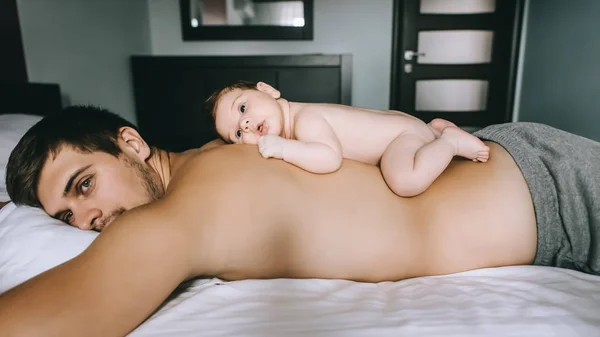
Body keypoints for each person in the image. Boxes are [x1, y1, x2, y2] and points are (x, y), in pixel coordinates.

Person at [0, 105, 599, 337]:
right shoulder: (216, 160)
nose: (90, 218)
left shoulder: (189, 204)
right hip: (526, 176)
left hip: (550, 190)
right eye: (68, 217)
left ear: (129, 142)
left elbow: (65, 309)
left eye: (84, 185)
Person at [208, 81, 490, 197]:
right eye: (237, 134)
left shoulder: (306, 119)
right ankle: (433, 130)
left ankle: (448, 141)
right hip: (402, 124)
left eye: (243, 108)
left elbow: (329, 158)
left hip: (399, 137)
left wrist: (283, 148)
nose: (245, 124)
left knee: (405, 181)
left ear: (269, 90)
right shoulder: (301, 115)